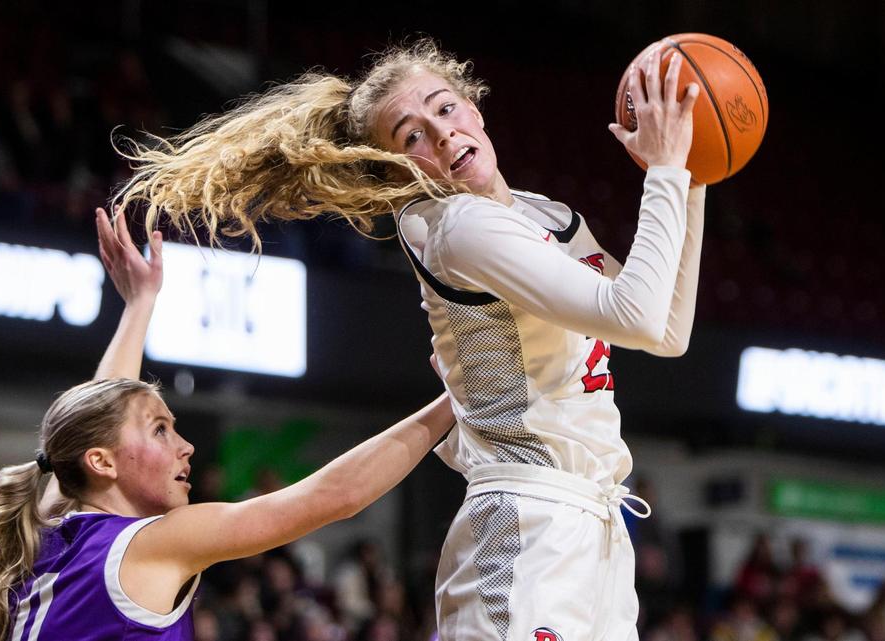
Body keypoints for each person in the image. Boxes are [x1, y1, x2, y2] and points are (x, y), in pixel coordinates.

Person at [113, 38, 702, 641]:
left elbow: (667, 331)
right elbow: (635, 313)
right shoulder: (455, 227)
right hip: (527, 524)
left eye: (444, 109)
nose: (441, 134)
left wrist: (695, 175)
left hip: (597, 527)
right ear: (398, 169)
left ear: (475, 108)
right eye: (411, 136)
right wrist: (666, 170)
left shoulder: (544, 214)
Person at [0, 209, 454, 641]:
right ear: (101, 463)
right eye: (160, 429)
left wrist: (140, 303)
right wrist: (454, 401)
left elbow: (101, 418)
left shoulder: (48, 526)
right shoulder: (149, 544)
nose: (186, 447)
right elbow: (332, 497)